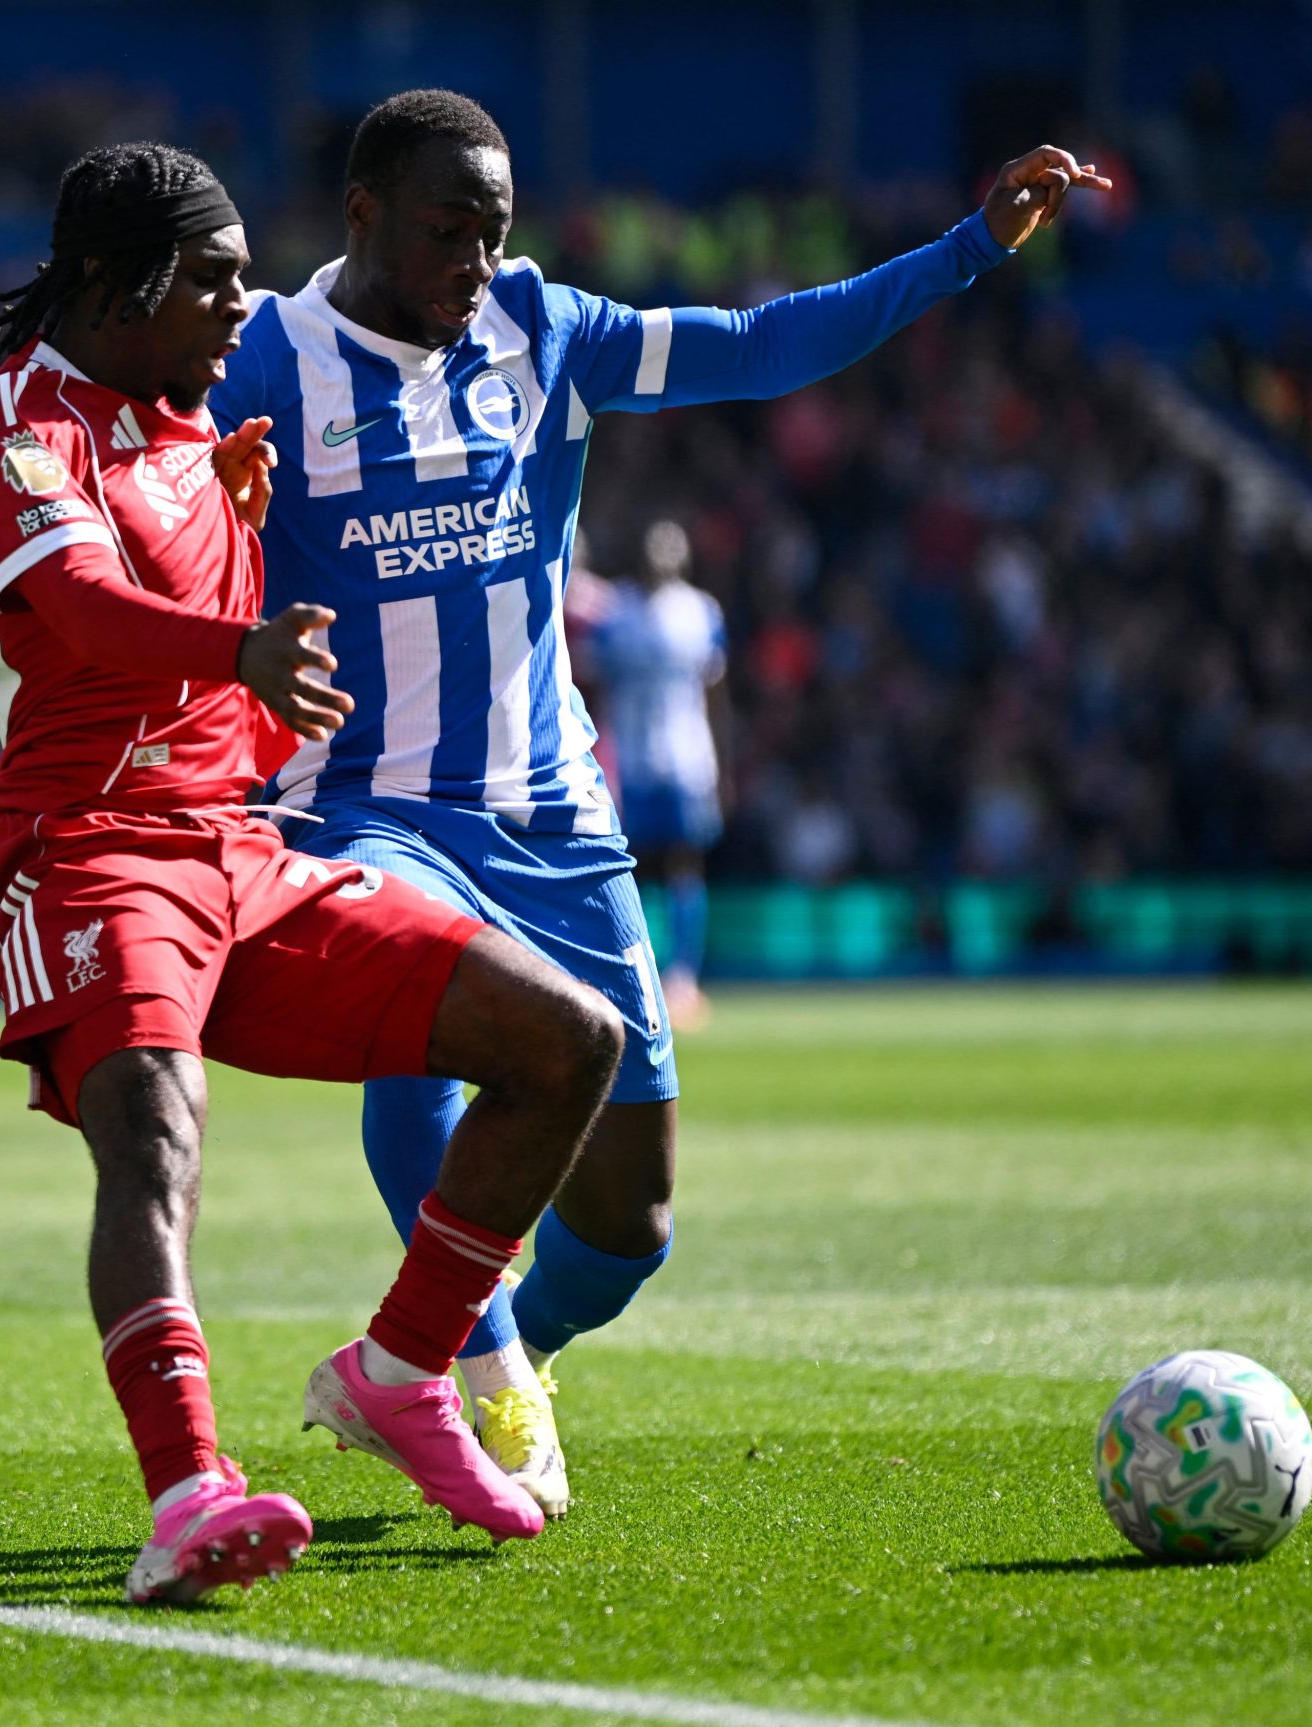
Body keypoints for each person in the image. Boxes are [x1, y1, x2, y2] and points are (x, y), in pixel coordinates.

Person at [210, 88, 1110, 1515]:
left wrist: (966, 249)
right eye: (449, 228)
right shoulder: (262, 352)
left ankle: (501, 1345)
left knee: (632, 1226)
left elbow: (760, 346)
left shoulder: (542, 329)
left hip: (556, 812)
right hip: (360, 803)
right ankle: (469, 1358)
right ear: (364, 212)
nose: (476, 257)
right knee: (431, 1051)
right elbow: (120, 464)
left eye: (494, 229)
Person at [0, 142, 622, 1606]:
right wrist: (236, 645)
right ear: (126, 285)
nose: (246, 308)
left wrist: (244, 575)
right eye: (218, 279)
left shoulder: (199, 440)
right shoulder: (10, 423)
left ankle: (399, 1368)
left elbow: (225, 690)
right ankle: (188, 1491)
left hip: (239, 850)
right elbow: (73, 604)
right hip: (86, 849)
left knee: (566, 1040)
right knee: (156, 1138)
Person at [593, 520, 729, 1031]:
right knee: (635, 867)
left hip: (688, 756)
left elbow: (717, 694)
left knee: (684, 864)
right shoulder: (616, 614)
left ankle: (684, 978)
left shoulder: (701, 612)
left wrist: (724, 761)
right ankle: (640, 969)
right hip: (630, 759)